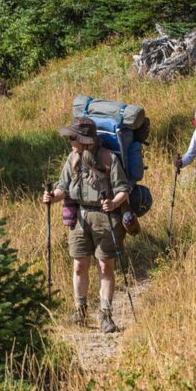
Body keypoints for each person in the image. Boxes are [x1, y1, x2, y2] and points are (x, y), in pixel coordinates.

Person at [43, 117, 129, 333]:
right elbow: (63, 186)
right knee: (79, 265)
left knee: (104, 266)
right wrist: (52, 197)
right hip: (79, 217)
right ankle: (80, 309)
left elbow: (123, 189)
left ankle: (106, 314)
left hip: (106, 218)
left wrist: (113, 203)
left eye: (74, 137)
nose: (70, 141)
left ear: (86, 140)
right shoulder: (72, 158)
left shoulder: (108, 158)